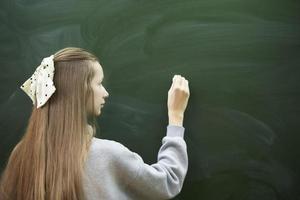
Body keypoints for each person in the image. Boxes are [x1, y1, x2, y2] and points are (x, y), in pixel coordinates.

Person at [0, 47, 190, 200]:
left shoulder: (21, 155)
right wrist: (175, 116)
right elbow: (168, 182)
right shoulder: (107, 155)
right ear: (80, 92)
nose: (105, 93)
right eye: (99, 84)